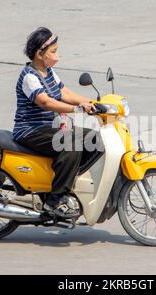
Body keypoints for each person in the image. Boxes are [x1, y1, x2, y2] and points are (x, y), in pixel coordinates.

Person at [12, 27, 103, 218]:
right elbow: (46, 102)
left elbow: (64, 93)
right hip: (30, 129)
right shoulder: (30, 76)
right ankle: (54, 200)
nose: (57, 55)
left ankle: (64, 182)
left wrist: (91, 103)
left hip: (48, 127)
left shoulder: (48, 72)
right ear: (39, 54)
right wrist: (77, 109)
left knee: (95, 139)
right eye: (53, 51)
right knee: (71, 142)